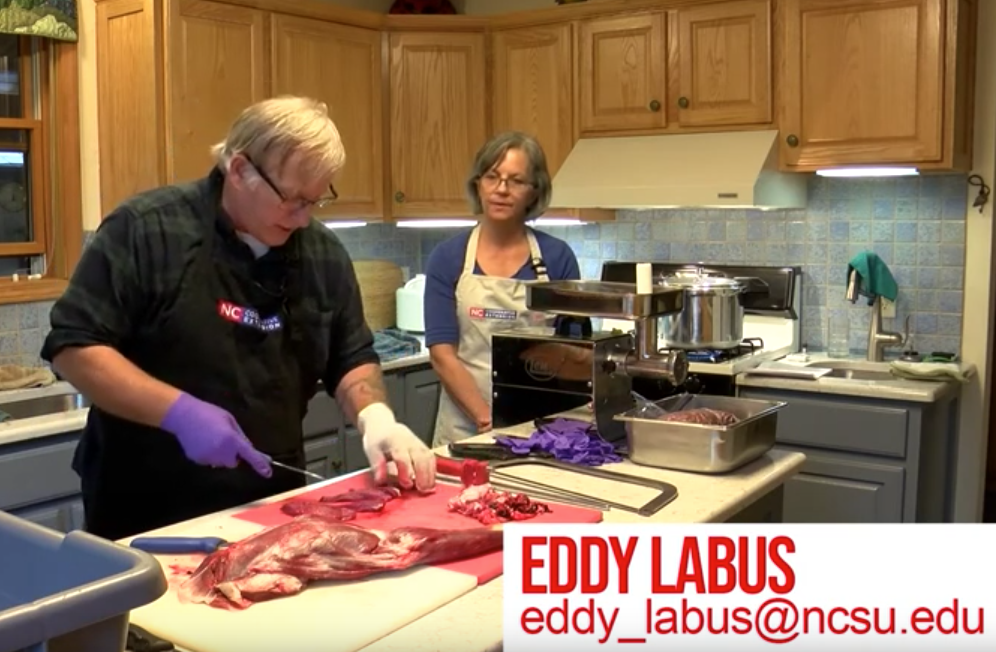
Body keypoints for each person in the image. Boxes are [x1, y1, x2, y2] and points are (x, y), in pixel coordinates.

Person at [40, 96, 436, 541]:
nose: (304, 219)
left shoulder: (321, 254)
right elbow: (73, 347)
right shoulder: (146, 230)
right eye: (292, 199)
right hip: (146, 511)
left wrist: (377, 419)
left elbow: (350, 355)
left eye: (316, 200)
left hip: (272, 503)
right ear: (241, 168)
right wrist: (178, 413)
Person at [423, 131, 581, 448]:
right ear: (478, 184)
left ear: (534, 191)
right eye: (492, 177)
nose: (501, 189)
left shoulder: (557, 258)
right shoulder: (448, 258)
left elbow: (574, 350)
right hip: (465, 431)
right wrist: (486, 420)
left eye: (516, 180)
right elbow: (442, 356)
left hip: (540, 431)